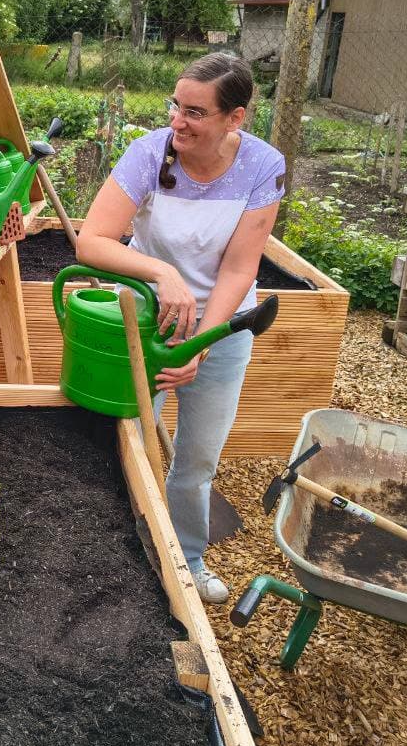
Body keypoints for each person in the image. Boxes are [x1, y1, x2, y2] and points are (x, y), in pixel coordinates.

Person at [76, 52, 284, 605]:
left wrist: (202, 341)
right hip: (146, 320)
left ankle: (187, 559)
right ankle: (117, 561)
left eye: (195, 112)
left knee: (195, 460)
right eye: (175, 105)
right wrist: (160, 272)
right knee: (131, 448)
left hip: (220, 328)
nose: (178, 121)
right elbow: (91, 240)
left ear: (234, 119)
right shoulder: (149, 154)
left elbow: (241, 269)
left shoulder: (264, 167)